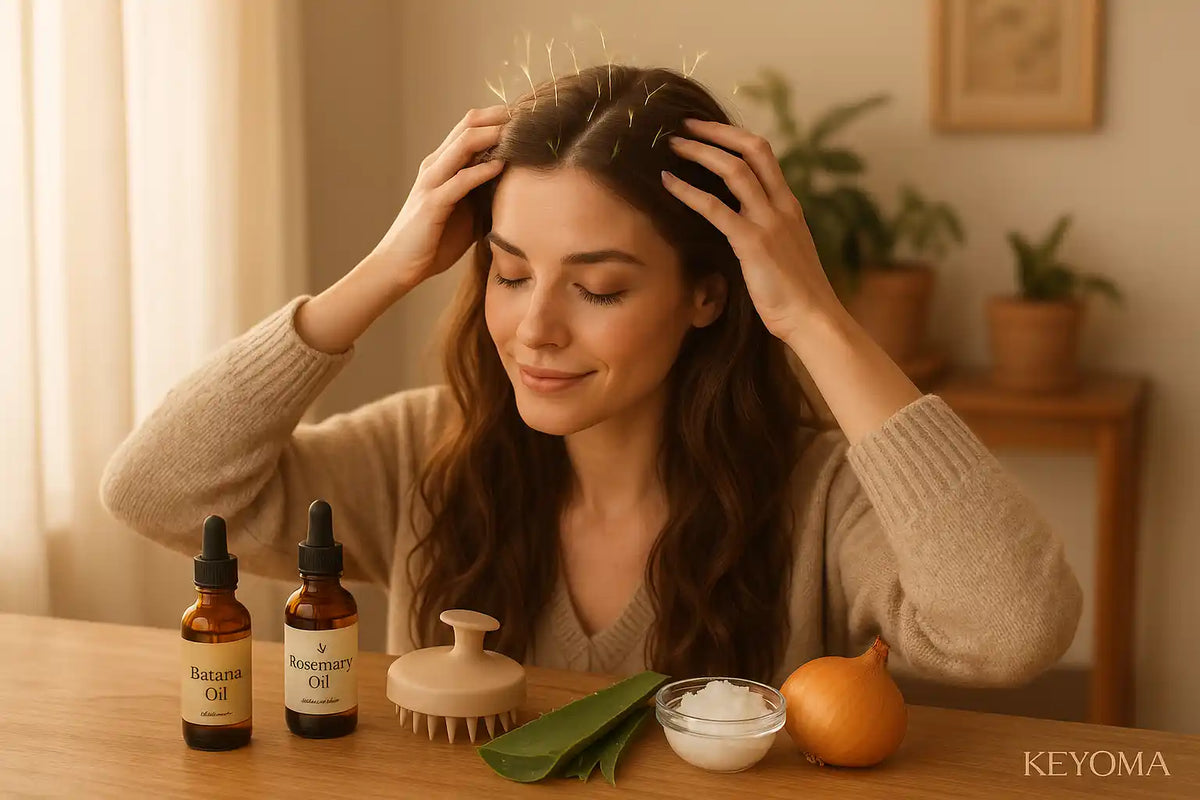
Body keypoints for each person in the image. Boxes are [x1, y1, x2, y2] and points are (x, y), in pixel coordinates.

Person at [101, 64, 1082, 687]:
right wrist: (385, 267)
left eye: (599, 288)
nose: (534, 328)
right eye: (510, 270)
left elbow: (1009, 630)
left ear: (709, 294)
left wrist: (811, 316)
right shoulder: (417, 452)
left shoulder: (815, 494)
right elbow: (156, 489)